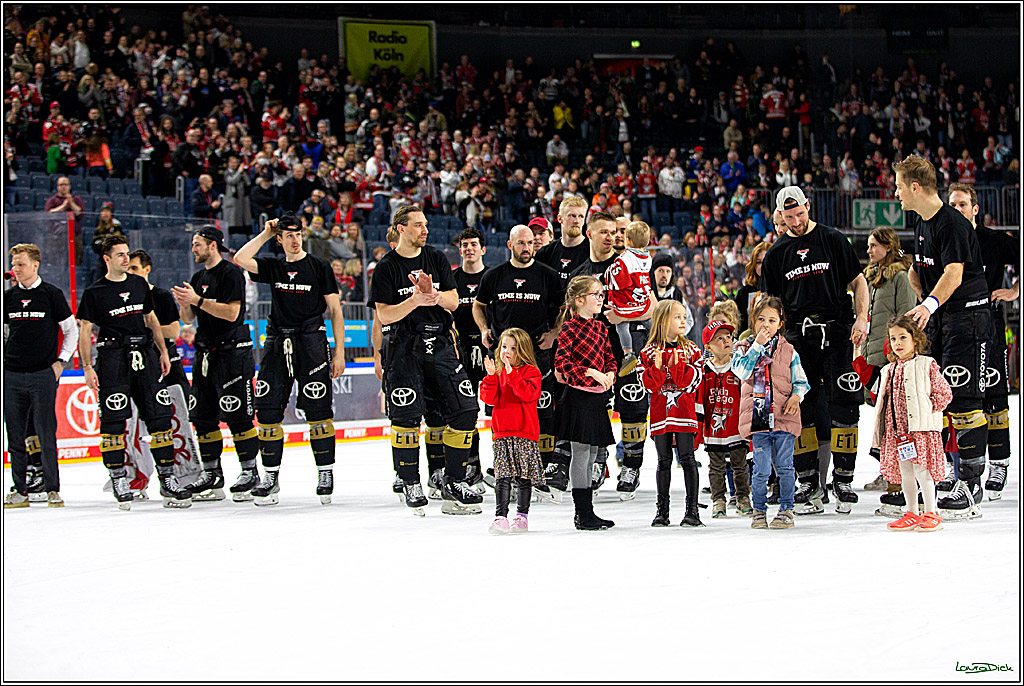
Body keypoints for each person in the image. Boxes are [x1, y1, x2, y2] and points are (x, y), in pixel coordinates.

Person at [760, 186, 869, 515]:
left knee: (846, 404)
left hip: (837, 331)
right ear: (780, 215)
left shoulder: (834, 239)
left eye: (800, 213)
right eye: (788, 216)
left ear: (809, 206)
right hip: (798, 337)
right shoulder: (777, 254)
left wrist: (862, 317)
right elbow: (772, 303)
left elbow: (859, 281)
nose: (795, 220)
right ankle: (808, 480)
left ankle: (844, 479)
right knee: (799, 407)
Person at [895, 156, 992, 520]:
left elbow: (953, 272)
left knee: (965, 399)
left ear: (915, 187)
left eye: (900, 186)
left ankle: (971, 484)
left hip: (967, 318)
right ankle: (953, 472)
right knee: (942, 399)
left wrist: (929, 305)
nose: (896, 193)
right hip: (943, 318)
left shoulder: (951, 223)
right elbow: (921, 271)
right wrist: (919, 291)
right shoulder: (921, 223)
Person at [369, 205, 482, 516]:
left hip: (441, 344)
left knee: (465, 410)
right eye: (418, 225)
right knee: (406, 419)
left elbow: (454, 301)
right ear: (401, 229)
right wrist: (415, 299)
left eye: (425, 224)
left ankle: (453, 480)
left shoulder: (434, 257)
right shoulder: (387, 267)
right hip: (403, 348)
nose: (425, 230)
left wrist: (433, 294)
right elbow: (384, 314)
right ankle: (410, 482)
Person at [234, 213, 347, 506]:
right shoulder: (273, 266)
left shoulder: (319, 267)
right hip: (276, 342)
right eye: (289, 235)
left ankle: (325, 472)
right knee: (268, 411)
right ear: (280, 239)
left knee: (319, 411)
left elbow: (335, 310)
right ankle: (270, 478)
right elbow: (240, 258)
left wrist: (339, 352)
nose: (295, 240)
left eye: (298, 234)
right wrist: (264, 233)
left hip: (311, 342)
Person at [77, 235, 190, 509]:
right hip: (113, 359)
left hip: (146, 357)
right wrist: (88, 367)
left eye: (127, 254)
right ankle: (118, 477)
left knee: (160, 417)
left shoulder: (139, 284)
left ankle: (168, 477)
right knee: (114, 423)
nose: (126, 259)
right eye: (119, 255)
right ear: (106, 259)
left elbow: (151, 319)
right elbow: (85, 330)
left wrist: (163, 352)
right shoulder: (95, 292)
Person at [170, 226, 261, 502]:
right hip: (204, 353)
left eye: (197, 244)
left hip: (232, 353)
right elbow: (187, 319)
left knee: (238, 415)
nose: (194, 248)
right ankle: (212, 473)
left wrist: (198, 300)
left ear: (212, 245)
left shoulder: (231, 273)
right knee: (202, 416)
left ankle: (249, 471)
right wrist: (186, 304)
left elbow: (233, 313)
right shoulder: (198, 276)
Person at [569, 212, 650, 500]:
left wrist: (622, 314)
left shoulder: (631, 263)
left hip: (628, 345)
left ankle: (631, 466)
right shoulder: (580, 272)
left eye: (616, 231)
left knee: (632, 403)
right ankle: (598, 462)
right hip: (592, 350)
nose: (612, 236)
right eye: (605, 231)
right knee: (595, 406)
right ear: (590, 234)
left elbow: (651, 307)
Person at [947, 182, 1019, 501]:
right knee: (957, 398)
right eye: (953, 205)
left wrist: (1016, 292)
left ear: (975, 209)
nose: (957, 210)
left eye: (963, 204)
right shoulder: (944, 242)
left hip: (989, 327)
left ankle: (999, 462)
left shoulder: (996, 241)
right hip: (954, 330)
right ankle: (958, 466)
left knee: (994, 395)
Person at [4, 244, 78, 509]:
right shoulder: (8, 297)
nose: (15, 268)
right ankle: (20, 490)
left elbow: (72, 330)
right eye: (13, 264)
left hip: (42, 374)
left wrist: (61, 361)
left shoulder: (51, 294)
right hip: (11, 375)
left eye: (20, 264)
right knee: (15, 436)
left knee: (46, 433)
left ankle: (52, 489)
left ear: (35, 265)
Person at [731, 296, 811, 529]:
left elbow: (801, 381)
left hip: (784, 417)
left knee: (785, 466)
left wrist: (796, 396)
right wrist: (756, 346)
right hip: (758, 418)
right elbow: (742, 372)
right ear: (754, 321)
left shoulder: (789, 350)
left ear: (780, 323)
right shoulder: (743, 347)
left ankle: (786, 509)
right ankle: (759, 511)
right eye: (761, 319)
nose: (766, 324)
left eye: (772, 320)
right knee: (761, 468)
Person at [871, 314, 952, 532]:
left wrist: (928, 409)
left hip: (920, 431)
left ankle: (931, 512)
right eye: (894, 338)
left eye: (903, 338)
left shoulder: (927, 364)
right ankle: (912, 512)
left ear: (915, 339)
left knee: (922, 471)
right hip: (898, 433)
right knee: (906, 472)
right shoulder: (888, 369)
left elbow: (944, 393)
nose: (898, 343)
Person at [554, 275, 617, 530]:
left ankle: (588, 510)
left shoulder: (601, 327)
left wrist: (611, 373)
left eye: (602, 295)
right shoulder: (570, 328)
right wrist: (592, 373)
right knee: (580, 453)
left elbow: (610, 357)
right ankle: (582, 512)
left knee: (592, 454)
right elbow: (562, 363)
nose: (601, 299)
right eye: (596, 295)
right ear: (580, 300)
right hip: (578, 397)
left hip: (596, 397)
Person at [639, 299, 704, 527]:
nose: (683, 321)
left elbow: (690, 383)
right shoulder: (648, 352)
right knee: (663, 461)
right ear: (663, 320)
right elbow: (648, 385)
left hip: (685, 414)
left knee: (688, 459)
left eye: (684, 317)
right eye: (678, 317)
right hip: (660, 416)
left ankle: (692, 511)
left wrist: (676, 368)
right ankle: (662, 511)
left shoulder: (692, 350)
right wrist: (656, 370)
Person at [861, 227, 916, 492]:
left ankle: (900, 473)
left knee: (895, 419)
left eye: (873, 245)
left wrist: (895, 353)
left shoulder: (901, 277)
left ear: (888, 246)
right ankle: (888, 470)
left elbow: (906, 319)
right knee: (882, 418)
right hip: (873, 356)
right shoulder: (870, 277)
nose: (869, 250)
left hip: (891, 357)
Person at [480, 327, 544, 534]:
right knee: (503, 476)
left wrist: (512, 375)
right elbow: (488, 399)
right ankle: (500, 516)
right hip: (502, 433)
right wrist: (491, 377)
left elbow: (527, 394)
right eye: (504, 347)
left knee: (524, 478)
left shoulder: (532, 373)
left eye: (513, 348)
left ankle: (522, 516)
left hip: (525, 433)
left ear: (523, 350)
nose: (507, 352)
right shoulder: (497, 374)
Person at [697, 319, 752, 518]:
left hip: (736, 427)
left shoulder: (738, 367)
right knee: (716, 466)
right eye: (719, 338)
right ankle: (718, 499)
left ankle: (742, 497)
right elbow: (699, 400)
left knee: (740, 464)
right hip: (714, 428)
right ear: (708, 346)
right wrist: (699, 426)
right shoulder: (704, 371)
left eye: (728, 337)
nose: (726, 341)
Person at [451, 227, 489, 489]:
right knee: (465, 411)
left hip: (490, 350)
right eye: (464, 245)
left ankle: (501, 464)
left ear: (483, 249)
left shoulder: (493, 277)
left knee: (498, 411)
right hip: (460, 350)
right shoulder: (452, 280)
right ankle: (471, 464)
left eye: (474, 244)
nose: (469, 249)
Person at [605, 220, 655, 377]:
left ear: (628, 240)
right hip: (642, 300)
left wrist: (608, 273)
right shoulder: (648, 258)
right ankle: (658, 340)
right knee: (649, 322)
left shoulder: (624, 259)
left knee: (621, 325)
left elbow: (617, 282)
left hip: (627, 303)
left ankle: (628, 354)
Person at [535, 196, 590, 288]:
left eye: (581, 216)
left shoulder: (593, 252)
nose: (576, 221)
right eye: (572, 216)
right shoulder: (545, 253)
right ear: (560, 218)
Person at [734, 241, 769, 336]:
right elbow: (738, 326)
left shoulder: (783, 288)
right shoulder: (744, 293)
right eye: (758, 262)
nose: (762, 266)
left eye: (766, 261)